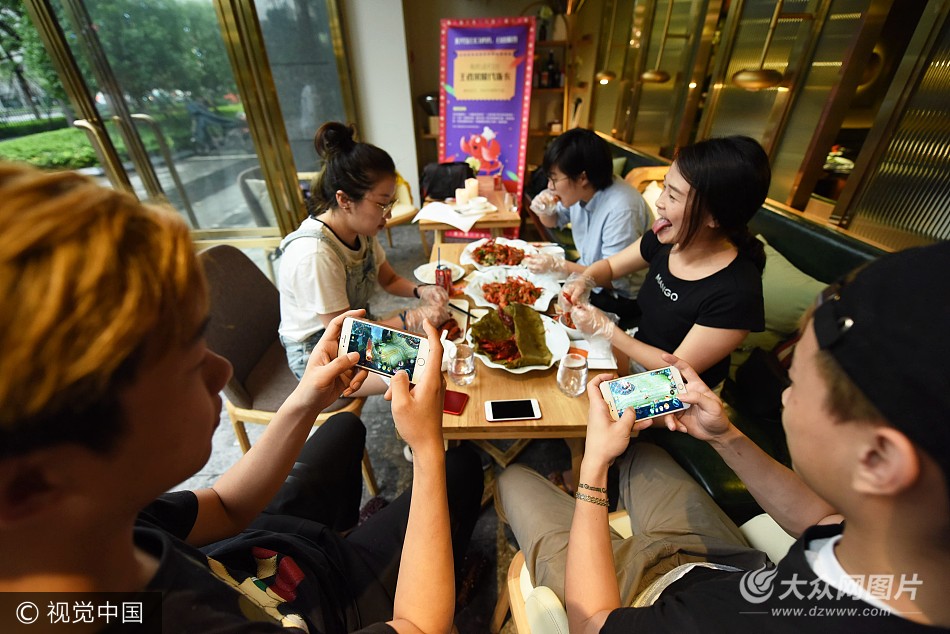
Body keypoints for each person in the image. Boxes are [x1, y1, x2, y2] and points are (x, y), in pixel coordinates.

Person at [0, 162, 483, 633]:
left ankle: (350, 531)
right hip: (328, 600)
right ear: (30, 484)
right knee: (459, 468)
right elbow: (420, 624)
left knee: (343, 425)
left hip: (261, 552)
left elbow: (225, 506)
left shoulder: (97, 527)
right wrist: (425, 447)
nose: (223, 371)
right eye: (188, 366)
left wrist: (306, 399)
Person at [561, 241, 950, 632]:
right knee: (643, 457)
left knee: (526, 485)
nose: (785, 397)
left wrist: (593, 464)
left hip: (643, 599)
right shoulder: (903, 548)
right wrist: (724, 437)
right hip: (713, 567)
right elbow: (824, 521)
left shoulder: (739, 619)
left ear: (879, 460)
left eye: (796, 384)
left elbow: (591, 622)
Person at [565, 135, 770, 389]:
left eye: (673, 196)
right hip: (636, 353)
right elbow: (609, 267)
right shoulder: (667, 237)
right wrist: (584, 280)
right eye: (664, 187)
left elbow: (675, 372)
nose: (659, 203)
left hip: (679, 392)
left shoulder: (738, 292)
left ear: (715, 216)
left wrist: (608, 331)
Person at [278, 121, 449, 384]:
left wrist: (421, 291)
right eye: (382, 204)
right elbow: (346, 336)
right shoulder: (316, 255)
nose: (388, 214)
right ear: (344, 200)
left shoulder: (360, 229)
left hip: (358, 330)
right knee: (428, 372)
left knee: (439, 348)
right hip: (321, 354)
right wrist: (410, 318)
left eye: (391, 203)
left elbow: (389, 279)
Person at [524, 128, 653, 328]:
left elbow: (613, 279)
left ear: (582, 178)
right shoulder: (582, 191)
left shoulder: (622, 209)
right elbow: (554, 220)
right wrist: (545, 209)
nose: (550, 186)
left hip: (618, 299)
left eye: (554, 179)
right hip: (587, 279)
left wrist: (559, 266)